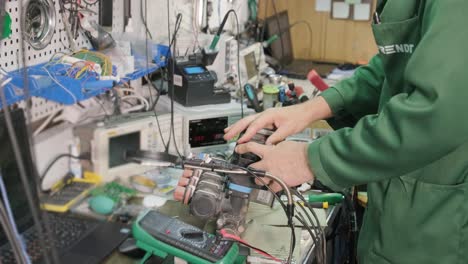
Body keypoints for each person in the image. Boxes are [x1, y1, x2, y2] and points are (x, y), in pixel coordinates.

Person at [179, 1, 468, 264]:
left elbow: (437, 113)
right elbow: (389, 71)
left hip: (439, 232)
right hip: (395, 216)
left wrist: (309, 159)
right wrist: (310, 109)